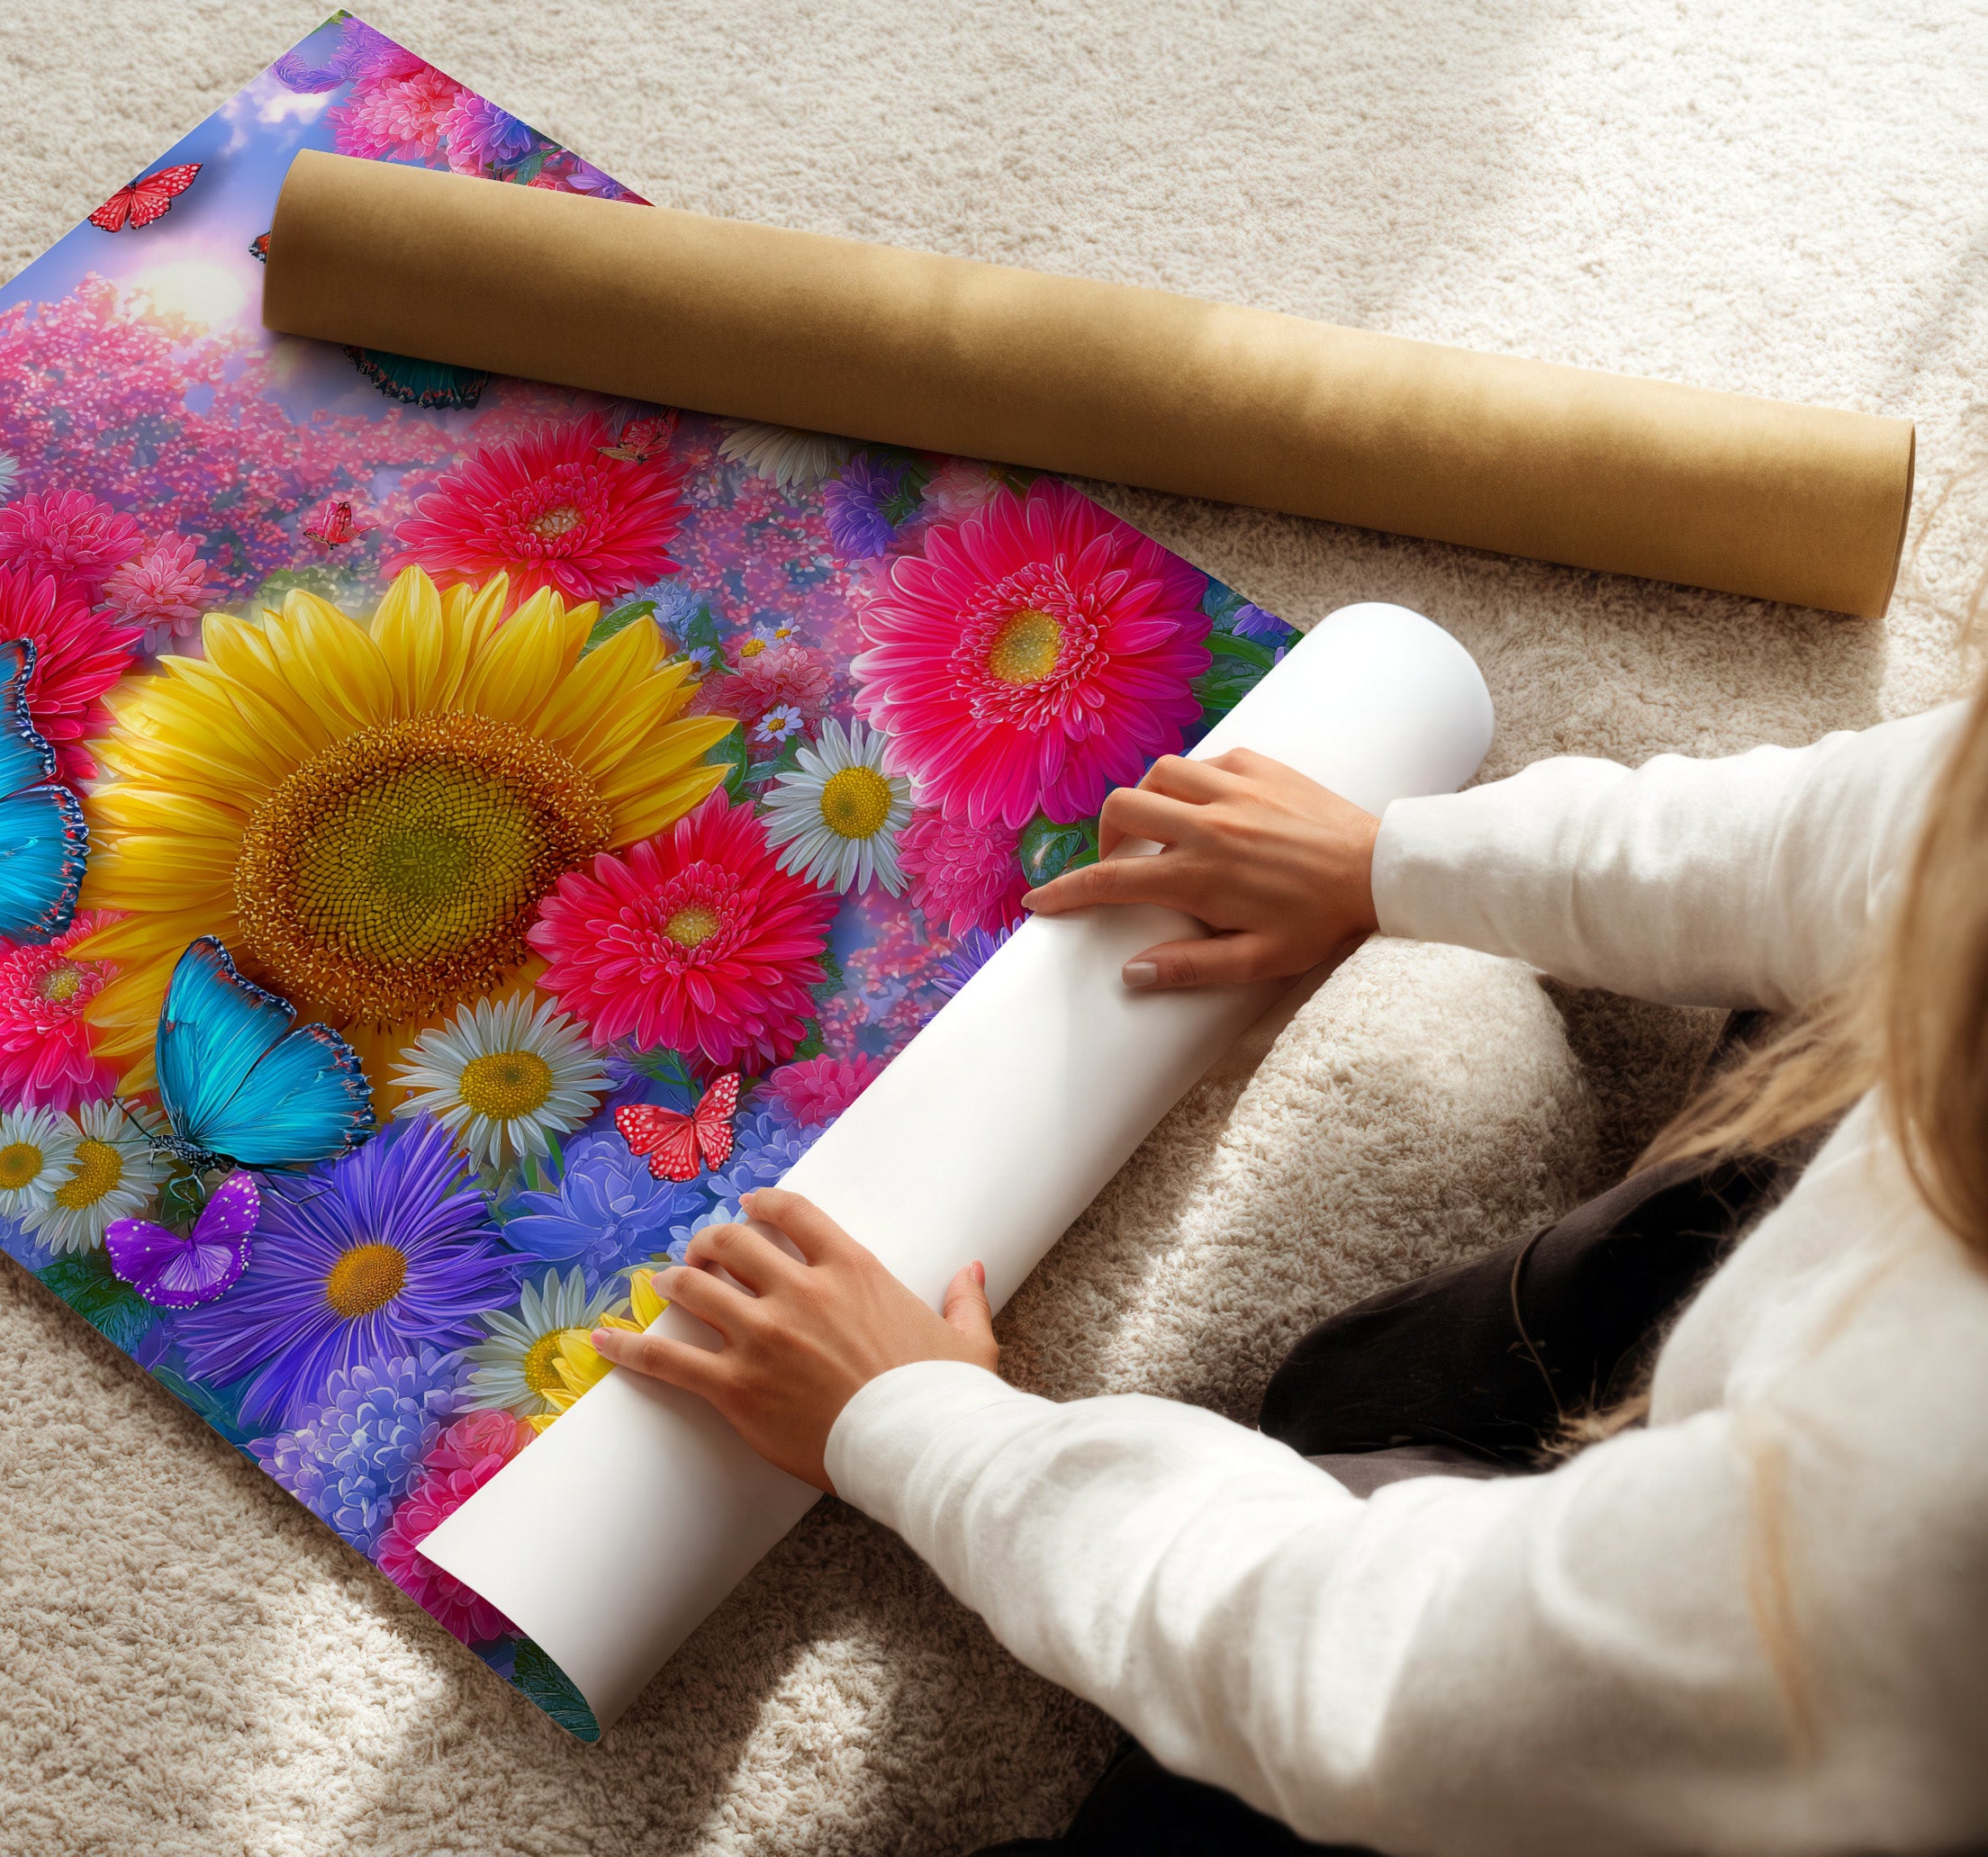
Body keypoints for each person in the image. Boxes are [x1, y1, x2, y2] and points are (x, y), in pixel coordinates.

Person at [592, 690, 1988, 1855]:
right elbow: (1875, 830)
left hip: (1789, 1726)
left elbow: (1382, 1678)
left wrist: (919, 1426)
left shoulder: (1920, 1513)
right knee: (1364, 1390)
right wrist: (1389, 858)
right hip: (1804, 1457)